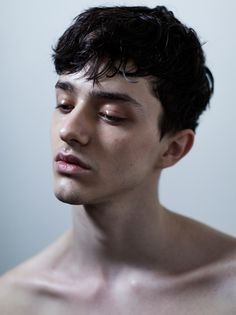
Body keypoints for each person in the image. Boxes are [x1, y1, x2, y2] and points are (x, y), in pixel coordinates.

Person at [0, 5, 235, 315]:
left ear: (173, 148)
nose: (69, 130)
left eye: (111, 115)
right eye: (64, 104)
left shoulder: (227, 287)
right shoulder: (14, 301)